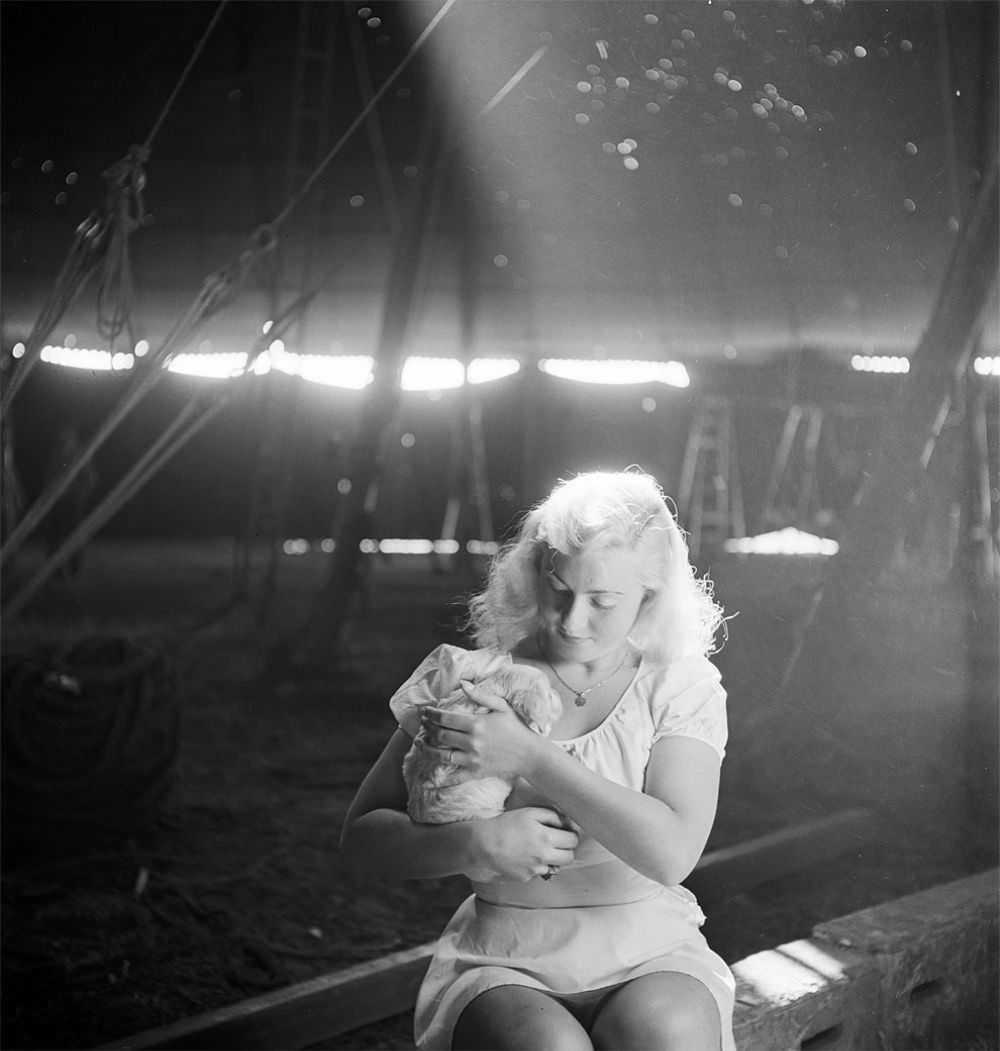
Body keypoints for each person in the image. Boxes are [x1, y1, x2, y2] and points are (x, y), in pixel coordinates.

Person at [340, 469, 735, 1050]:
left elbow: (673, 853)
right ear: (532, 573)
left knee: (667, 1033)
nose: (574, 622)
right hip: (506, 957)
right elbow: (362, 839)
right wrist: (477, 845)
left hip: (649, 948)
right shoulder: (467, 677)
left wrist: (531, 754)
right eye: (560, 589)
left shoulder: (678, 684)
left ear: (649, 594)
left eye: (603, 601)